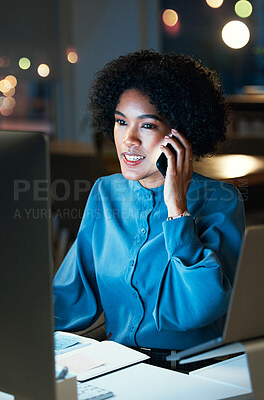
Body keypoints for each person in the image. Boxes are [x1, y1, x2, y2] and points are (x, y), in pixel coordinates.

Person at [53, 50, 245, 368]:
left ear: (180, 133)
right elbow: (70, 297)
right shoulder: (105, 193)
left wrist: (177, 209)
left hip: (194, 370)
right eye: (120, 121)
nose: (128, 139)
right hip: (117, 365)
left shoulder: (220, 200)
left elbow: (200, 308)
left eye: (147, 126)